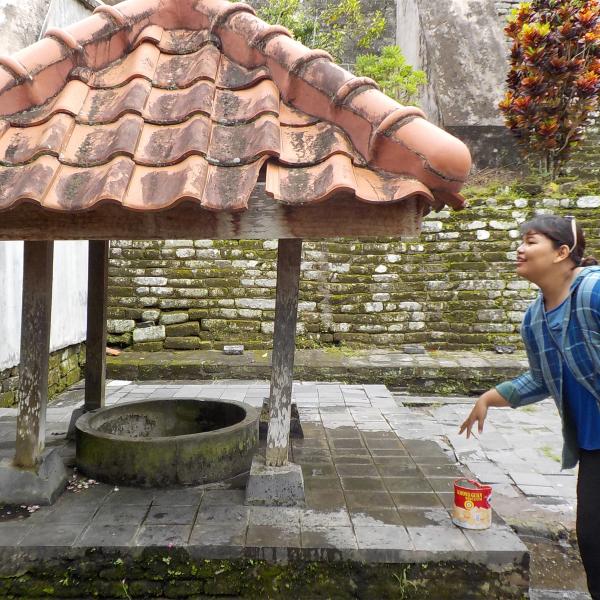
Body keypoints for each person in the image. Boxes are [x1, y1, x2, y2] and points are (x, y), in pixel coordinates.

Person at [459, 214, 600, 599]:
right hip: (592, 447)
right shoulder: (535, 319)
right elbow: (540, 379)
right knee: (592, 543)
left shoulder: (593, 291)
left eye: (531, 241)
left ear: (562, 252)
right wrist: (488, 398)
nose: (520, 249)